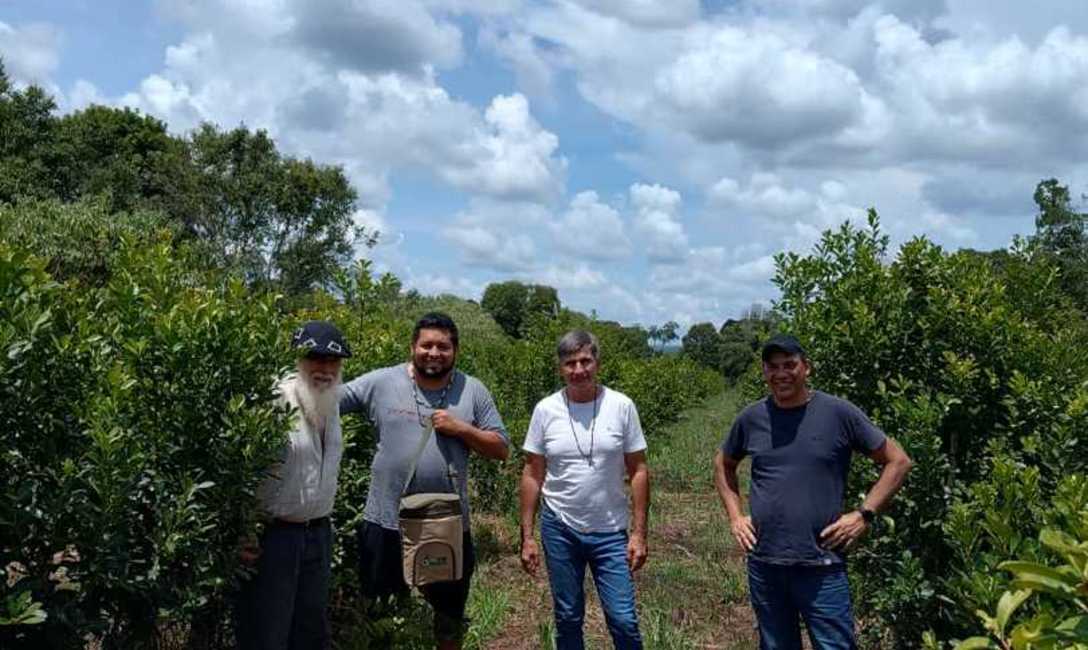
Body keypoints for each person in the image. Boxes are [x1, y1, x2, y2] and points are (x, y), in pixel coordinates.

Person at [713, 334, 913, 650]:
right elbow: (724, 464)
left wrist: (863, 514)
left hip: (823, 565)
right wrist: (736, 517)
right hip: (766, 563)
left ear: (807, 368)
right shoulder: (752, 418)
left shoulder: (838, 413)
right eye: (773, 367)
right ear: (764, 372)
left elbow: (898, 462)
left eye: (790, 365)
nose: (781, 374)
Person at [339, 312, 509, 650]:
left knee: (448, 617)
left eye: (443, 347)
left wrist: (461, 428)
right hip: (384, 523)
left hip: (446, 525)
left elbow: (501, 448)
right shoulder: (380, 382)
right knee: (378, 616)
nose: (434, 353)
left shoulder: (472, 390)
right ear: (412, 347)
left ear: (455, 351)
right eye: (426, 345)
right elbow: (330, 400)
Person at [519, 329, 650, 650]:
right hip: (559, 527)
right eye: (570, 363)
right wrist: (527, 536)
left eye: (585, 361)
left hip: (610, 529)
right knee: (567, 615)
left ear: (597, 363)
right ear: (560, 368)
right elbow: (533, 473)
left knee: (623, 619)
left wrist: (639, 533)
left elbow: (638, 470)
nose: (578, 370)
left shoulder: (621, 406)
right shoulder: (546, 410)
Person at [236, 320, 352, 650]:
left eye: (333, 361)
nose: (325, 368)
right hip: (272, 539)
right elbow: (244, 469)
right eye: (316, 358)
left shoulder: (331, 402)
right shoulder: (274, 400)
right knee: (266, 633)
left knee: (309, 631)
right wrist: (243, 532)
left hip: (318, 534)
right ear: (299, 359)